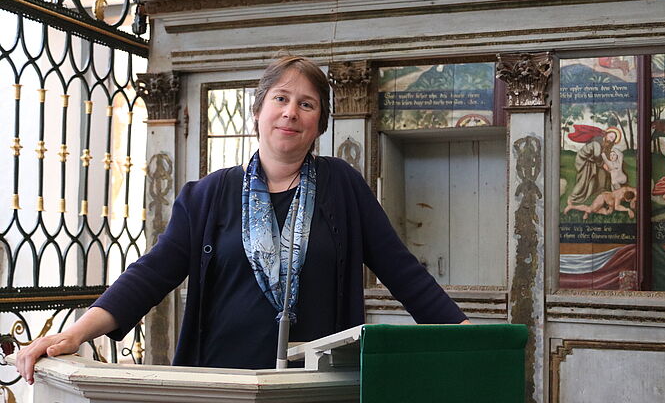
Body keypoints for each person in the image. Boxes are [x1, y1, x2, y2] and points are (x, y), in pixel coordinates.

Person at [16, 56, 468, 383]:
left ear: (321, 124)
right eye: (281, 98)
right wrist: (76, 332)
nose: (291, 111)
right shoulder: (207, 195)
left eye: (307, 104)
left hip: (312, 386)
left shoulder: (343, 186)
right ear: (258, 112)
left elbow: (401, 270)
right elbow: (150, 275)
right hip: (221, 381)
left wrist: (473, 339)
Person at [564, 125, 619, 214]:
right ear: (606, 134)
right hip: (584, 161)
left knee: (592, 181)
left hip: (591, 161)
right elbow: (597, 156)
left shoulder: (604, 144)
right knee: (583, 181)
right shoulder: (598, 142)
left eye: (613, 139)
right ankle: (572, 198)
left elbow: (601, 157)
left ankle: (597, 194)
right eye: (611, 137)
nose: (611, 140)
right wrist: (603, 165)